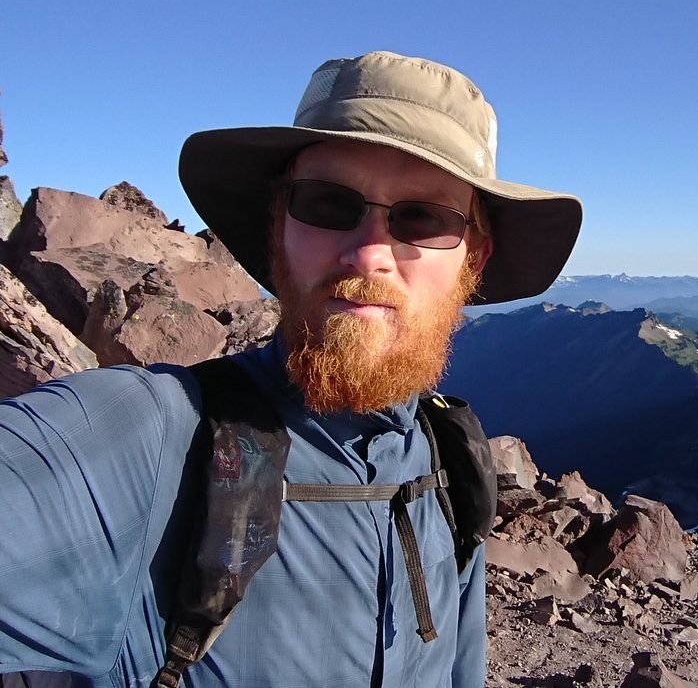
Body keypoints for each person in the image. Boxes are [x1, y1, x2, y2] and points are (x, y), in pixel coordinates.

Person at [0, 51, 583, 687]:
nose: (369, 255)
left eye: (423, 217)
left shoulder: (450, 460)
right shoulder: (147, 437)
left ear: (474, 256)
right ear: (279, 226)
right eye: (329, 204)